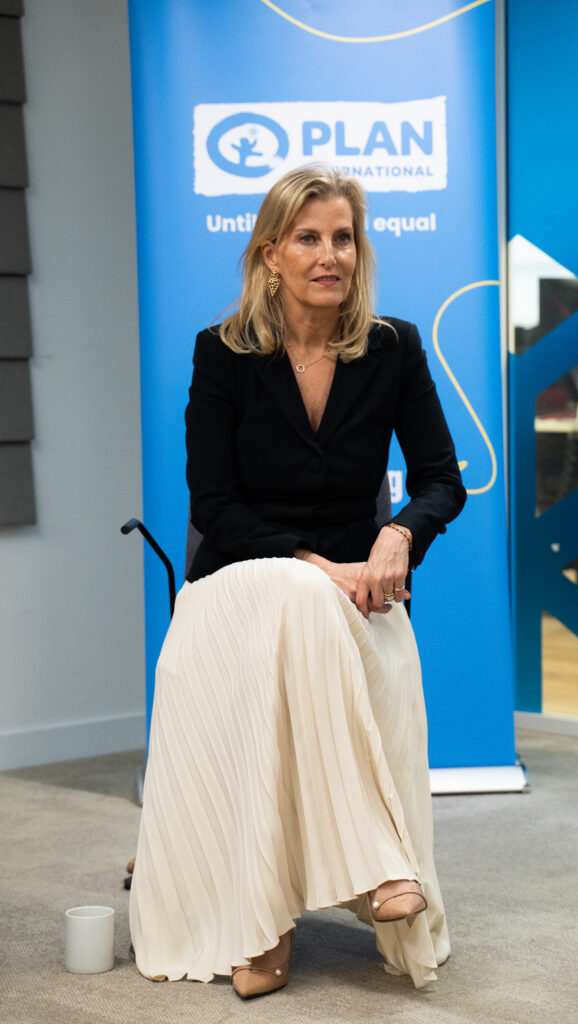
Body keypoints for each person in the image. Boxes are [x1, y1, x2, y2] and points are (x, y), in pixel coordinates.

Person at [129, 164, 466, 998]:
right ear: (270, 253)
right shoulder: (223, 354)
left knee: (315, 604)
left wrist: (398, 534)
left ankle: (268, 921)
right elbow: (215, 504)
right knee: (300, 592)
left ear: (360, 248)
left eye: (343, 237)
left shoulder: (393, 347)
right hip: (237, 590)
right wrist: (315, 565)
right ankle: (359, 874)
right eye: (308, 238)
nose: (330, 254)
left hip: (352, 595)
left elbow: (439, 480)